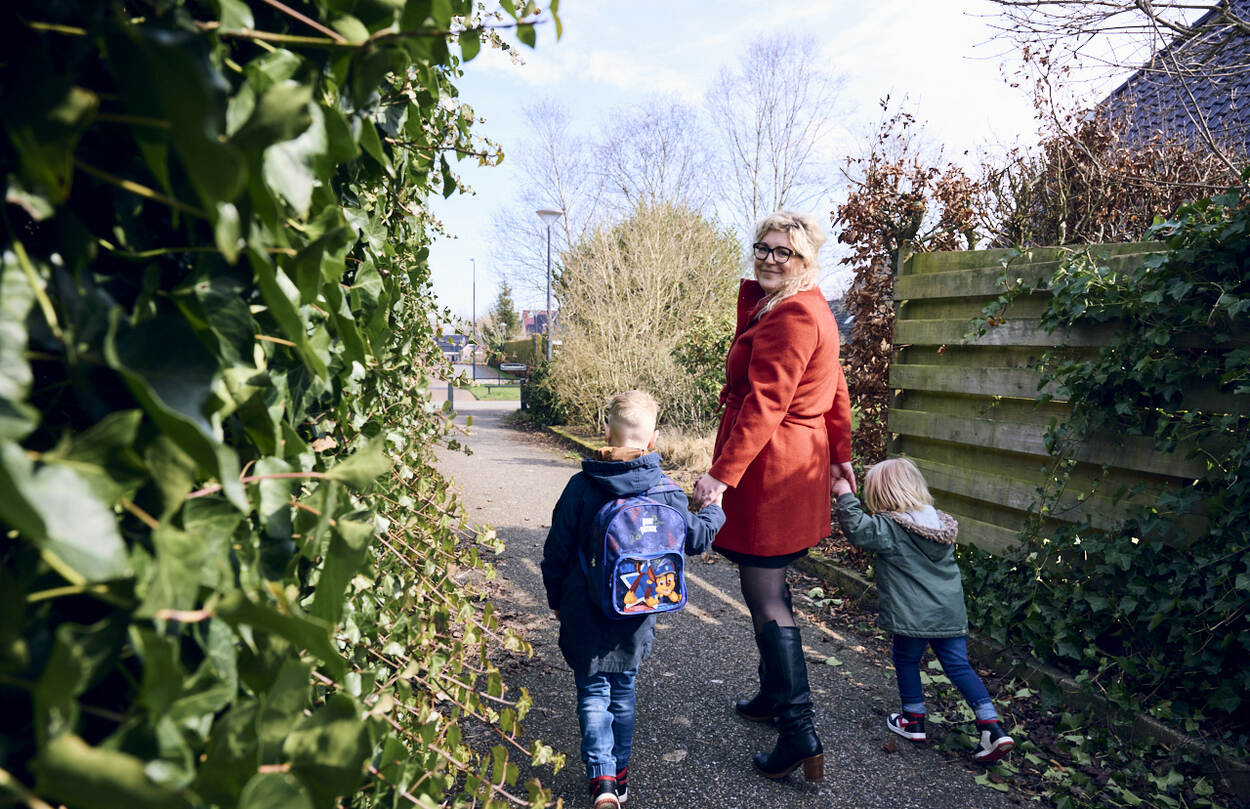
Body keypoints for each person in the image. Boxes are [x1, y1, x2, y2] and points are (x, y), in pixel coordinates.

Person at [692, 211, 853, 783]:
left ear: (805, 258)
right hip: (795, 466)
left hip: (772, 473)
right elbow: (836, 389)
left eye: (783, 251)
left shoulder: (792, 315)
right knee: (768, 586)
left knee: (765, 596)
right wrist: (841, 457)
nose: (768, 258)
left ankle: (798, 731)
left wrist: (720, 476)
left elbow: (766, 404)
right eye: (762, 247)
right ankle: (770, 695)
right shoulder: (809, 306)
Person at [542, 390, 726, 809]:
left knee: (591, 694)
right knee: (623, 690)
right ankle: (620, 777)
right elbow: (695, 539)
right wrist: (714, 508)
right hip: (636, 608)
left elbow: (556, 552)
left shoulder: (580, 486)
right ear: (653, 440)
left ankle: (602, 779)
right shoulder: (666, 491)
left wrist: (557, 601)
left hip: (584, 610)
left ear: (606, 431)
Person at [832, 457, 1016, 764]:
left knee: (906, 659)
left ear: (882, 495)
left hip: (912, 614)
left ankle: (913, 721)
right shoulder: (938, 523)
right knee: (959, 666)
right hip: (948, 612)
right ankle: (992, 726)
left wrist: (844, 495)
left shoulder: (892, 527)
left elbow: (859, 530)